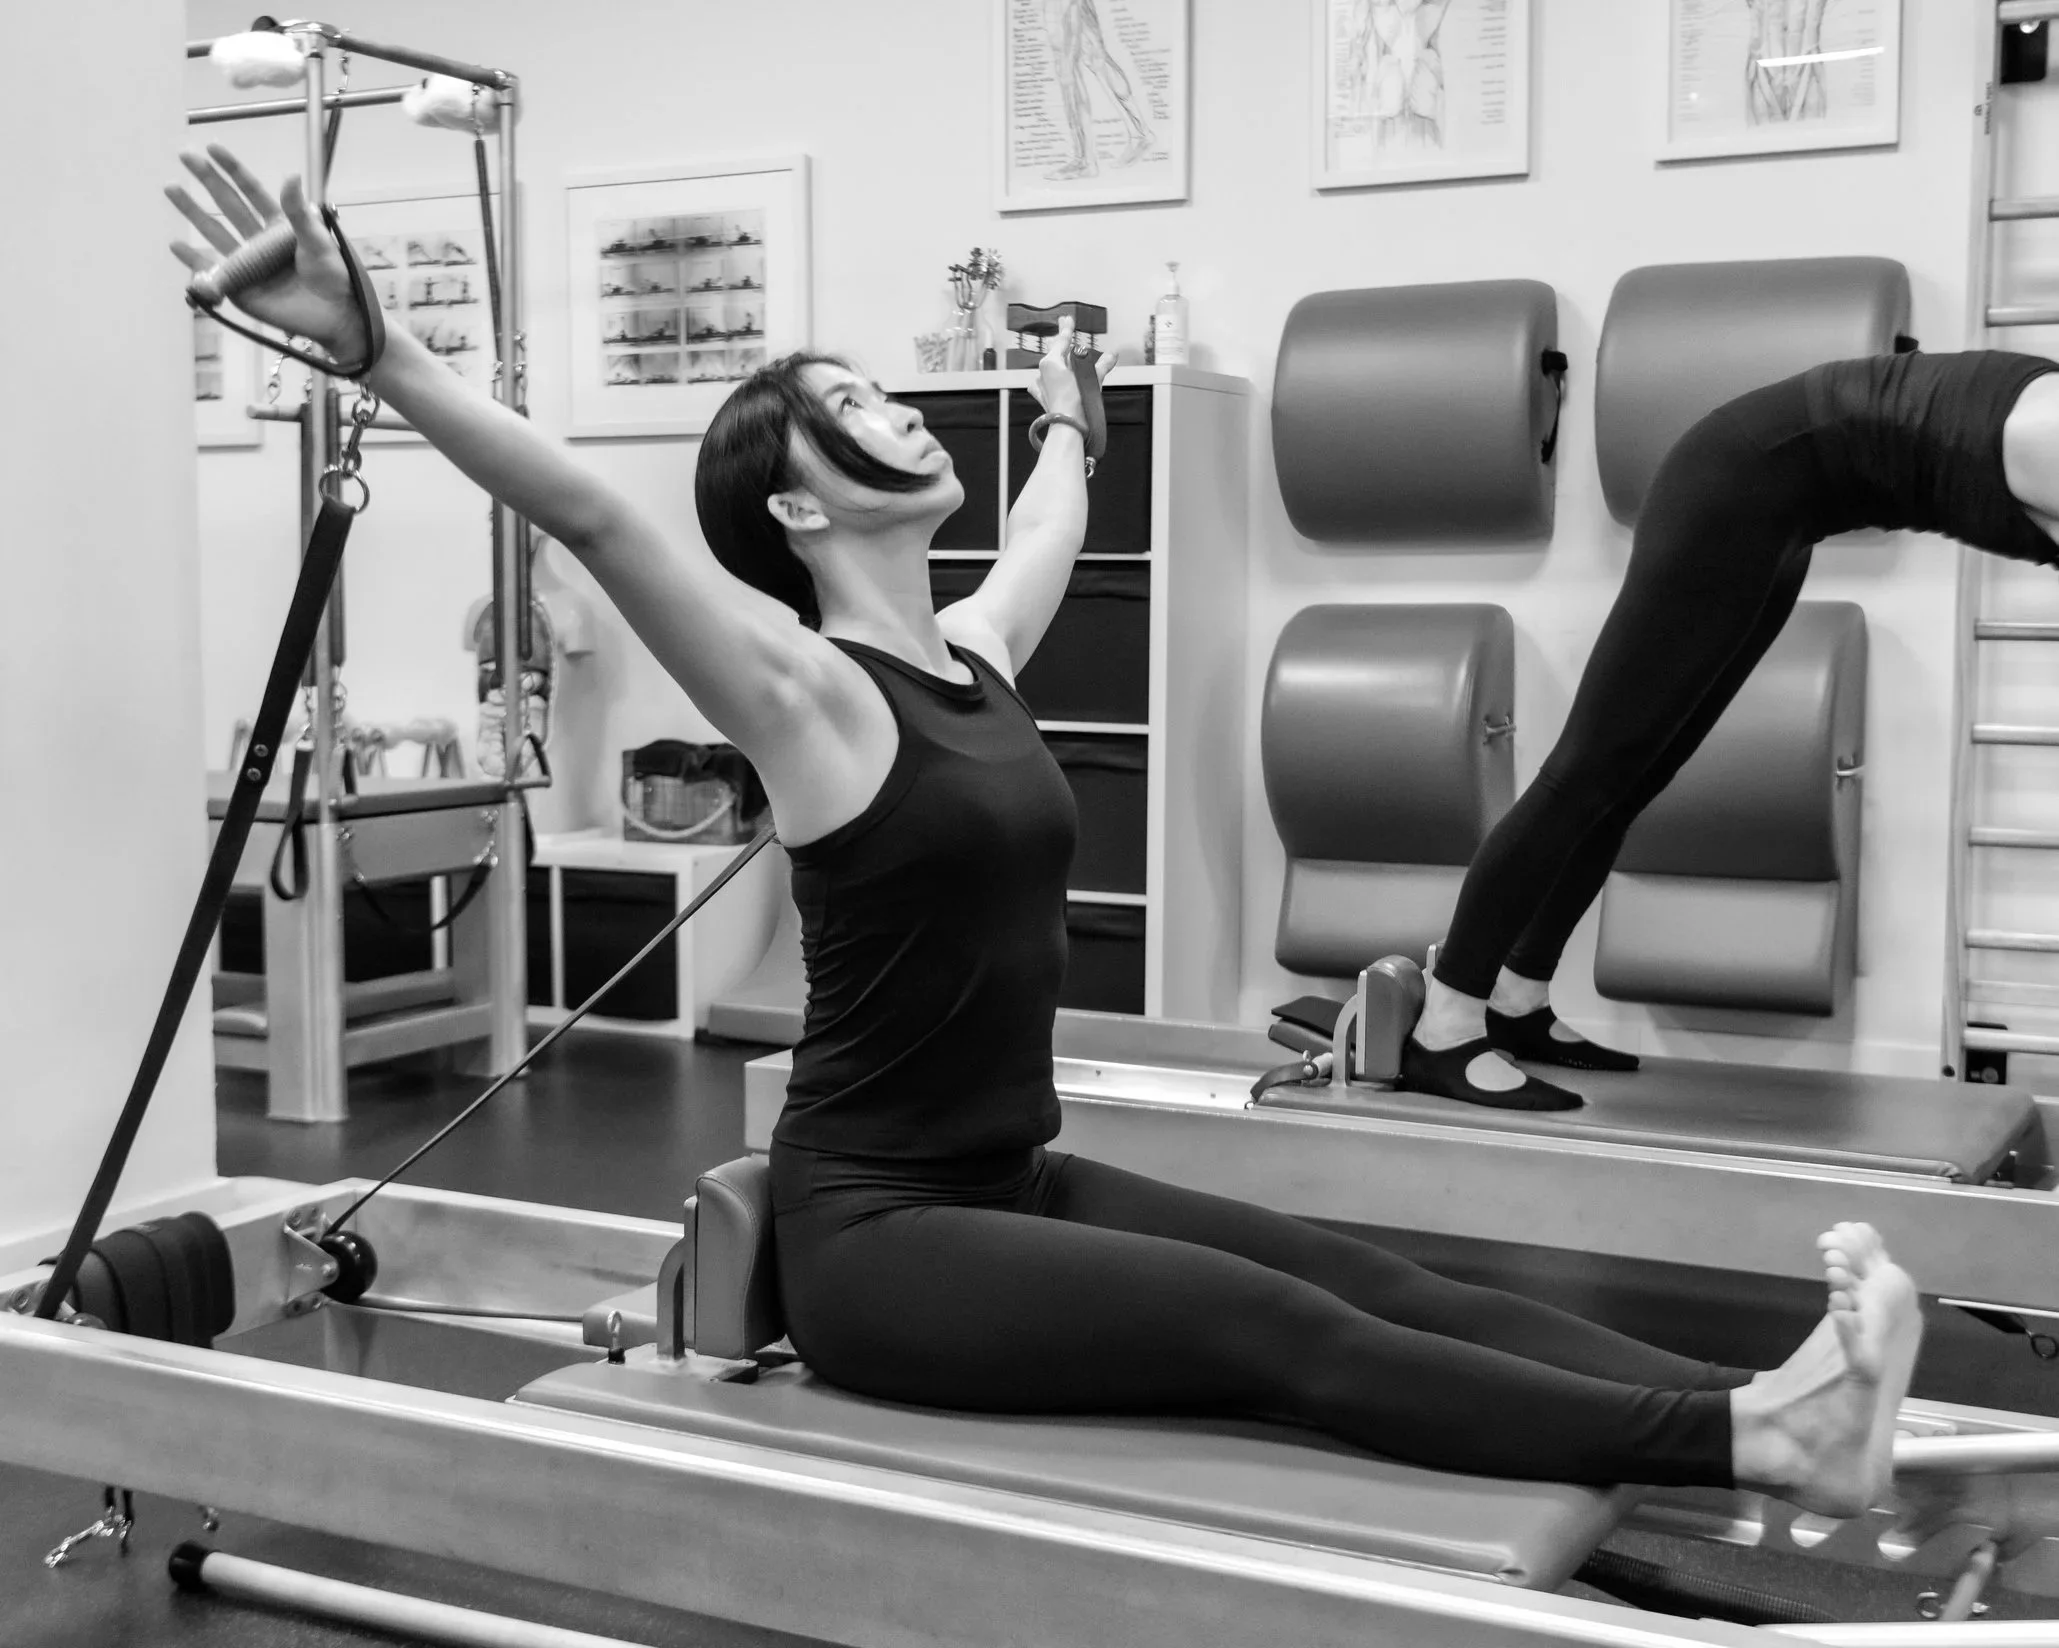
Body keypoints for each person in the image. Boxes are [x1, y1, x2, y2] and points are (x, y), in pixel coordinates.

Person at [170, 145, 1920, 1513]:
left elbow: (1051, 531)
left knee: (1363, 1270)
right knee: (1277, 1333)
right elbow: (593, 520)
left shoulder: (968, 658)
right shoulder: (806, 692)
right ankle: (1763, 1447)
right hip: (877, 1241)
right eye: (848, 407)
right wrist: (382, 348)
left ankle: (1760, 1388)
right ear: (792, 501)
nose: (891, 408)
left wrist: (1075, 407)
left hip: (1008, 1172)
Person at [1403, 349, 2059, 1112]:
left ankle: (1516, 999)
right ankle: (1443, 1023)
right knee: (1588, 769)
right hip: (1738, 482)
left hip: (1787, 513)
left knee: (1636, 774)